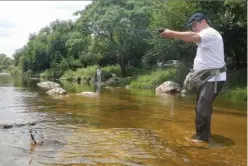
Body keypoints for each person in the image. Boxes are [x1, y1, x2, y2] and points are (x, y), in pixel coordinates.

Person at [159, 13, 226, 143]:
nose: (193, 28)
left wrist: (172, 33)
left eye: (194, 24)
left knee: (202, 109)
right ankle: (203, 135)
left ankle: (202, 140)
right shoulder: (205, 35)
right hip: (208, 79)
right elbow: (189, 37)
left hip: (213, 79)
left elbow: (193, 36)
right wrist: (170, 34)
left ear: (203, 21)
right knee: (201, 108)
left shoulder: (210, 33)